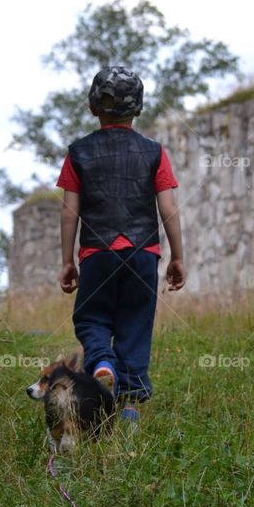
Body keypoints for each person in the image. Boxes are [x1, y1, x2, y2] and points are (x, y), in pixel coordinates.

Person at [55, 65, 186, 423]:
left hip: (98, 253)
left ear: (92, 107)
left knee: (91, 317)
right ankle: (129, 409)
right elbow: (169, 209)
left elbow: (70, 211)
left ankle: (99, 361)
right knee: (135, 324)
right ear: (138, 108)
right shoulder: (154, 152)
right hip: (143, 253)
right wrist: (177, 256)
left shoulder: (78, 152)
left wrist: (68, 260)